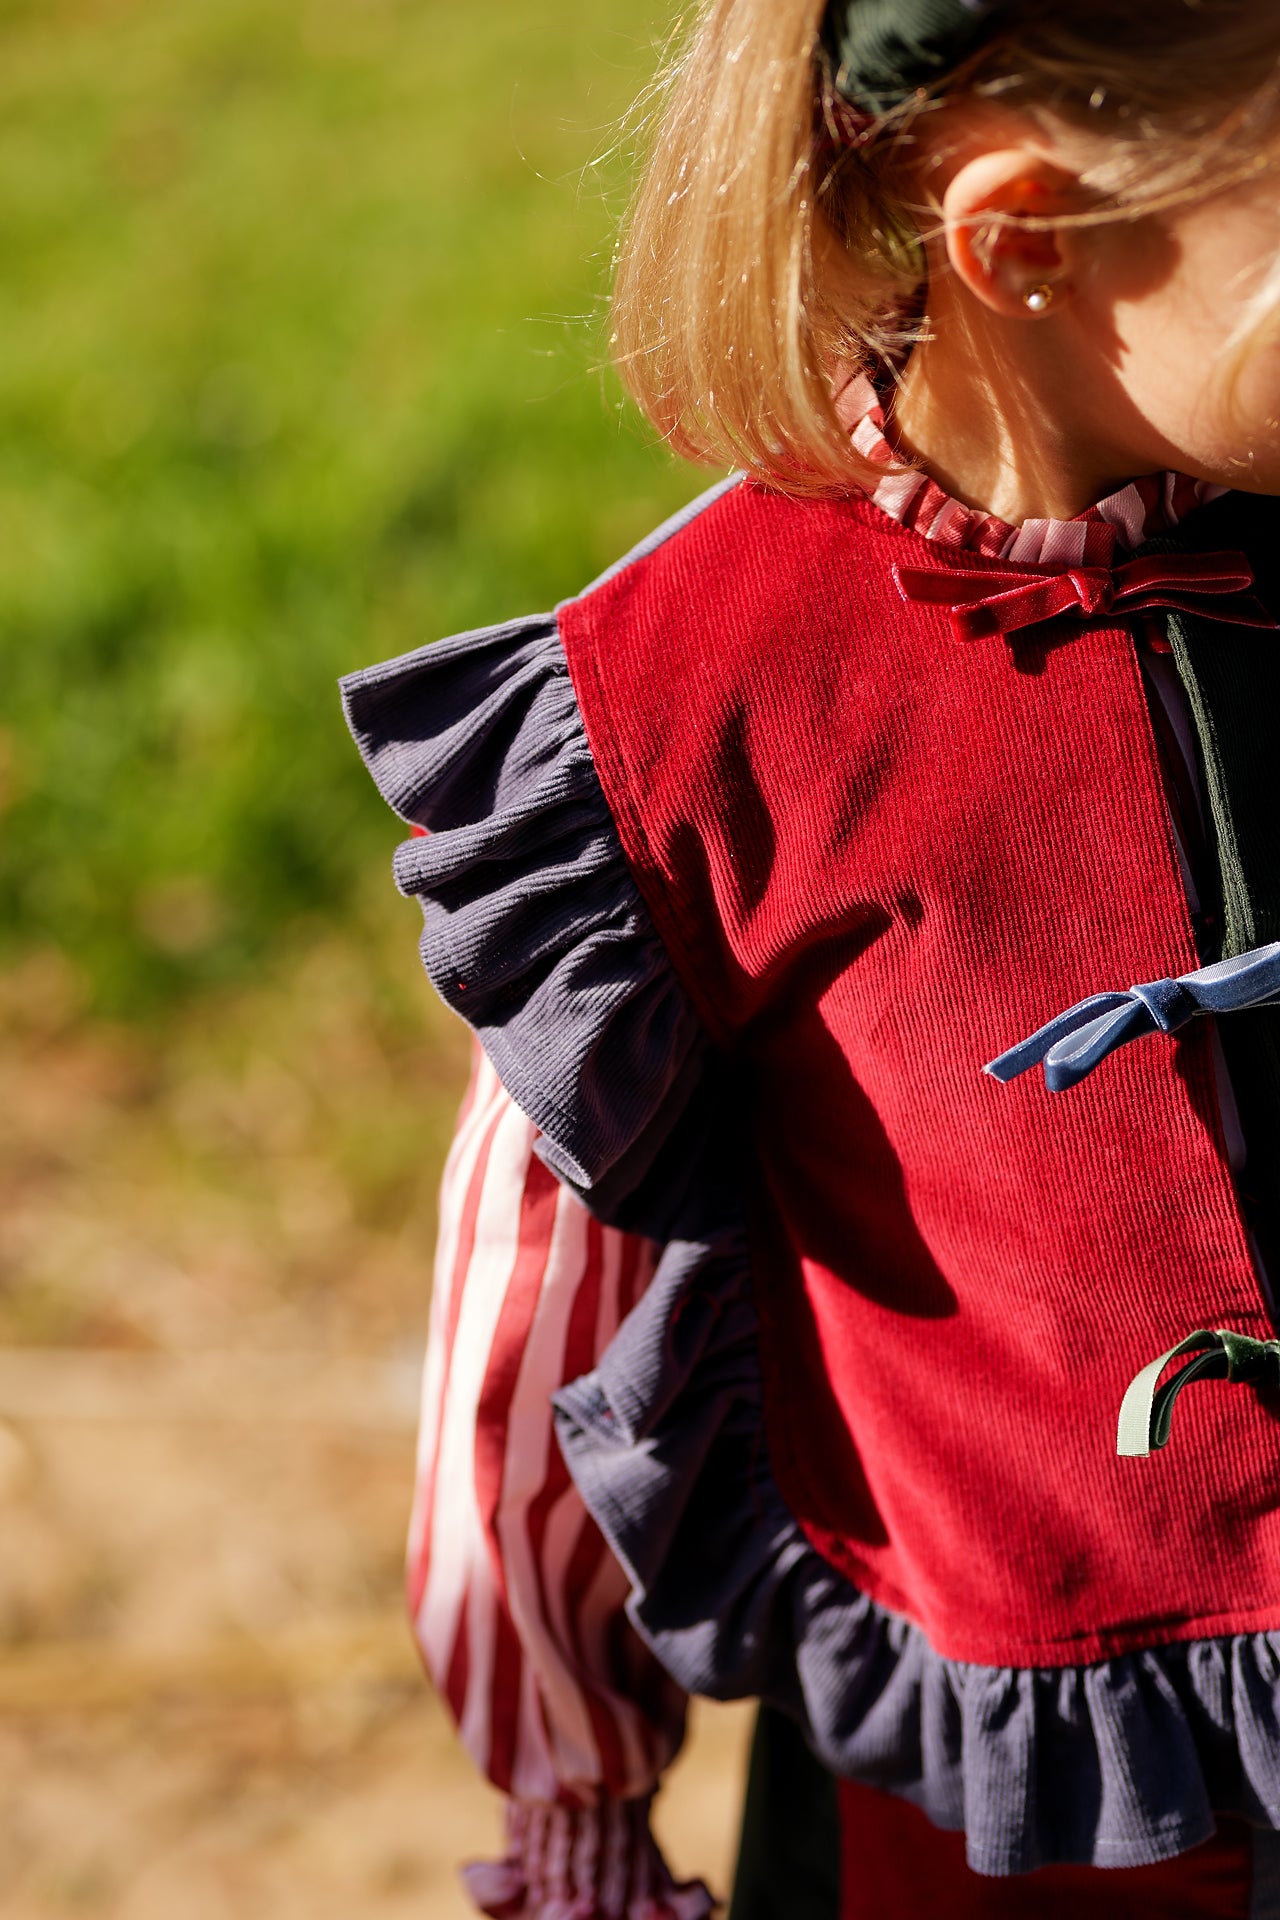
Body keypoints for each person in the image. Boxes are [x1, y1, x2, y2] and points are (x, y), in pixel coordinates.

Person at [341, 1, 1280, 1913]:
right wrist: (575, 1790)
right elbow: (539, 1314)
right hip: (1035, 1789)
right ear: (1027, 238)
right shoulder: (675, 722)